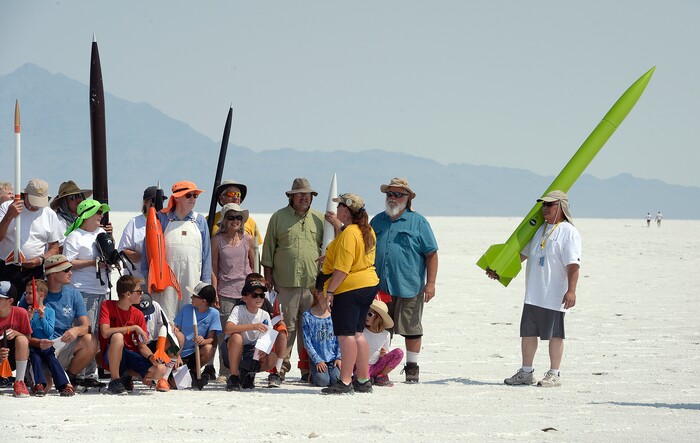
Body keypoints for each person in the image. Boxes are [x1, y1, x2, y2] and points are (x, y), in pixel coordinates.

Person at [488, 190, 581, 388]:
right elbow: (521, 256)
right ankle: (526, 372)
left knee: (555, 334)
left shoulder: (569, 231)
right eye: (543, 205)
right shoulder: (538, 230)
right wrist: (499, 271)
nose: (545, 208)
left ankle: (554, 373)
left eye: (550, 205)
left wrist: (571, 290)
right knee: (528, 333)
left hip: (555, 294)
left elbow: (573, 265)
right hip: (533, 293)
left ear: (562, 207)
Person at [370, 177, 438, 383]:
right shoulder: (377, 221)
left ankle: (412, 367)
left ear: (408, 198)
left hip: (409, 284)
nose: (393, 198)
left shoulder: (418, 222)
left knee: (411, 328)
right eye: (390, 193)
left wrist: (431, 283)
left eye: (398, 194)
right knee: (379, 328)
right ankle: (379, 366)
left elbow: (431, 254)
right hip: (381, 287)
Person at [261, 177, 324, 382]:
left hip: (311, 284)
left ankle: (308, 371)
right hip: (284, 284)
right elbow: (268, 250)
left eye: (308, 194)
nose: (304, 197)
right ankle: (280, 369)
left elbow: (327, 249)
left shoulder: (319, 219)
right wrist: (268, 278)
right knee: (285, 329)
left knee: (309, 329)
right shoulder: (278, 217)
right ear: (291, 196)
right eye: (300, 194)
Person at [319, 193, 379, 395]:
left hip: (349, 288)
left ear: (346, 210)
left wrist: (330, 291)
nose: (337, 211)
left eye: (339, 207)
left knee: (345, 335)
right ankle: (363, 379)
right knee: (358, 333)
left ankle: (345, 381)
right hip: (368, 284)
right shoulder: (367, 230)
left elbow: (343, 269)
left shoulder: (348, 234)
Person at [17, 255, 99, 389]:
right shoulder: (33, 292)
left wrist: (76, 330)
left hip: (61, 345)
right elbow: (19, 329)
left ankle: (69, 377)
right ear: (53, 274)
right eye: (66, 270)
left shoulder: (73, 293)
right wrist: (37, 342)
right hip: (38, 348)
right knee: (45, 387)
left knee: (91, 340)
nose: (71, 273)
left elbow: (87, 326)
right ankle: (44, 376)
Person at [142, 181, 212, 322]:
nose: (193, 198)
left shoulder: (199, 221)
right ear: (177, 198)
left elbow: (206, 254)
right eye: (188, 195)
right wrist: (149, 277)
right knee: (165, 319)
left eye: (195, 195)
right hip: (165, 279)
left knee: (190, 318)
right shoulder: (161, 218)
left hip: (192, 278)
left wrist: (206, 283)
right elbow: (148, 250)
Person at [63, 199, 111, 387]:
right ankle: (79, 374)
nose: (101, 216)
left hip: (102, 289)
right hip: (82, 289)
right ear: (86, 216)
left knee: (98, 332)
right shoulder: (75, 236)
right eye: (98, 212)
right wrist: (93, 263)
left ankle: (90, 374)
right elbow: (68, 263)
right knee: (86, 331)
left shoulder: (101, 233)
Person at [98, 275, 168, 394]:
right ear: (128, 294)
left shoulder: (138, 314)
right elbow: (105, 332)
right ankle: (115, 380)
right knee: (118, 337)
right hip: (110, 354)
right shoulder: (107, 305)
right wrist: (132, 328)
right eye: (139, 291)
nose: (141, 294)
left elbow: (142, 345)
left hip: (130, 355)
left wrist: (152, 357)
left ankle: (125, 375)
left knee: (160, 369)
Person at [211, 203, 254, 380]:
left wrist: (255, 288)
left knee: (246, 332)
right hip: (225, 292)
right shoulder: (217, 240)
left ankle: (245, 368)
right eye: (231, 217)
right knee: (225, 334)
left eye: (238, 217)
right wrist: (214, 291)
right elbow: (213, 267)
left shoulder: (248, 239)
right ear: (224, 220)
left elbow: (253, 264)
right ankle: (225, 370)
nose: (235, 221)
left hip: (245, 292)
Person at [0, 179, 61, 293]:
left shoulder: (49, 214)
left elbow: (55, 247)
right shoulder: (7, 207)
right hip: (7, 268)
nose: (36, 206)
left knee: (33, 306)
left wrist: (41, 259)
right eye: (34, 201)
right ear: (25, 195)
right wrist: (9, 216)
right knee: (6, 307)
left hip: (35, 271)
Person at [222, 280, 278, 391]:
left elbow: (268, 337)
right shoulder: (238, 309)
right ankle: (234, 377)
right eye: (254, 295)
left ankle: (249, 373)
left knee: (272, 357)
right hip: (233, 350)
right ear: (244, 298)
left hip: (252, 352)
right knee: (236, 337)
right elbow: (228, 329)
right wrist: (253, 326)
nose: (259, 298)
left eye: (261, 295)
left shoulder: (265, 314)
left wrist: (265, 350)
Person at [24, 279, 73, 396]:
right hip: (34, 346)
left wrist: (42, 317)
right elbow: (26, 334)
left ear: (41, 294)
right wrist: (29, 319)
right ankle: (39, 383)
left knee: (52, 359)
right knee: (35, 358)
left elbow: (49, 331)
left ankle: (64, 384)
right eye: (26, 293)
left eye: (30, 293)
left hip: (47, 345)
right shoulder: (26, 312)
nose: (27, 296)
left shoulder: (49, 311)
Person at [173, 282, 222, 383]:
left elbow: (211, 339)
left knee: (208, 348)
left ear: (203, 301)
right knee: (176, 384)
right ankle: (184, 374)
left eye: (194, 296)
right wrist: (176, 355)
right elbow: (175, 331)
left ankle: (195, 372)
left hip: (195, 353)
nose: (191, 297)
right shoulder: (186, 308)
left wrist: (202, 341)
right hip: (180, 353)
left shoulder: (214, 314)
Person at [118, 186, 167, 281]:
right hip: (138, 280)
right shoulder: (134, 223)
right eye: (154, 200)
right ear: (145, 202)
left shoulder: (166, 222)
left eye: (161, 200)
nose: (158, 203)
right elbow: (123, 251)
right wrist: (145, 257)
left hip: (160, 279)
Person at [209, 180, 263, 256]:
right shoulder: (209, 220)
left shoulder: (250, 221)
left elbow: (256, 252)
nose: (235, 197)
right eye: (230, 194)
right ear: (221, 198)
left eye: (238, 194)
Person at [302, 288, 341, 387]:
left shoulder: (335, 313)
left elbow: (340, 337)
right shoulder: (307, 315)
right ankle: (313, 374)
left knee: (336, 381)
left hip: (333, 357)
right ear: (317, 294)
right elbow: (307, 341)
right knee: (323, 382)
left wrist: (339, 357)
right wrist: (317, 359)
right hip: (318, 358)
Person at [0, 280, 32, 397]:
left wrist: (17, 333)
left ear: (10, 300)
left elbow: (28, 338)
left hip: (14, 356)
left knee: (22, 339)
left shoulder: (20, 313)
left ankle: (19, 382)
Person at [363, 299, 404, 387]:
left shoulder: (386, 334)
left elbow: (385, 352)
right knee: (364, 380)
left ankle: (381, 375)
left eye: (370, 314)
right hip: (363, 365)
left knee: (399, 352)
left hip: (377, 365)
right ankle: (369, 378)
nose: (366, 316)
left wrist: (383, 353)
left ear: (378, 318)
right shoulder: (361, 332)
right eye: (365, 312)